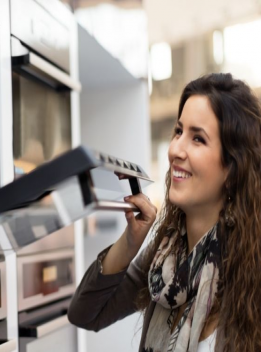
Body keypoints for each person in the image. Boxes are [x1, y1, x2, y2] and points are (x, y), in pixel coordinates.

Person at [68, 73, 261, 352]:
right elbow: (84, 314)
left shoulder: (250, 267)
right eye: (179, 131)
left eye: (198, 139)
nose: (175, 149)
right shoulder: (164, 256)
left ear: (232, 169)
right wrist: (130, 243)